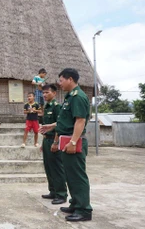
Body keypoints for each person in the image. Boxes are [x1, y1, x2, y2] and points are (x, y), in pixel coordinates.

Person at [41, 68, 93, 222]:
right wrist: (52, 126)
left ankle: (84, 210)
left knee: (77, 176)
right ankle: (75, 203)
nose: (60, 83)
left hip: (72, 142)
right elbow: (67, 120)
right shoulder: (70, 97)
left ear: (70, 79)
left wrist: (73, 141)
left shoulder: (78, 97)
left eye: (61, 80)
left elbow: (80, 121)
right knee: (70, 176)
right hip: (66, 140)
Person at [39, 84, 67, 205]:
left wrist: (56, 142)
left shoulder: (57, 107)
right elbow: (45, 128)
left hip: (54, 140)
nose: (44, 95)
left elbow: (59, 126)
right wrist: (43, 143)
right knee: (48, 167)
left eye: (47, 92)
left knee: (57, 168)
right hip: (47, 140)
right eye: (43, 93)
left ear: (54, 93)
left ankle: (61, 194)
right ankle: (53, 191)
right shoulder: (46, 106)